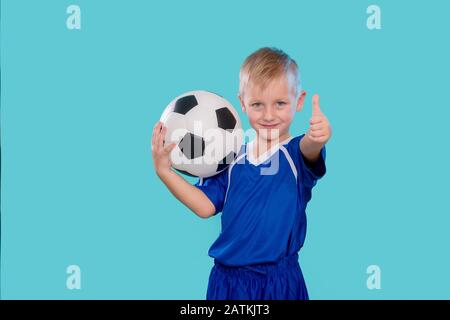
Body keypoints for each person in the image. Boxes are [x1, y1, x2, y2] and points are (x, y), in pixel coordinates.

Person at [151, 47, 332, 300]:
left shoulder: (296, 155)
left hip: (280, 281)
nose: (269, 115)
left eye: (280, 103)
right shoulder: (228, 158)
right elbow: (205, 207)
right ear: (242, 103)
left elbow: (310, 149)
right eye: (258, 104)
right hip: (228, 282)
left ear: (299, 101)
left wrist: (317, 138)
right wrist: (164, 171)